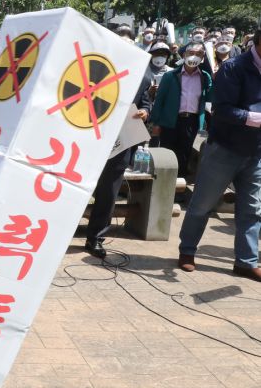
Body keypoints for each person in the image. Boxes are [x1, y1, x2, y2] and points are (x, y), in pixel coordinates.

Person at [177, 28, 261, 282]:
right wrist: (255, 118)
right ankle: (187, 250)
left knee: (252, 209)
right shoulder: (233, 68)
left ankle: (246, 262)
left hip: (256, 152)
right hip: (225, 148)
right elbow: (221, 110)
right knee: (203, 203)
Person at [84, 31, 153, 258]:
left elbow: (145, 102)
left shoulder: (143, 73)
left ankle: (95, 237)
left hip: (121, 139)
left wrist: (145, 111)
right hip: (91, 135)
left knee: (109, 191)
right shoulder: (96, 66)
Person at [150, 42, 212, 179]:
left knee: (184, 154)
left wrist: (215, 79)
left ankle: (178, 186)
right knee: (167, 154)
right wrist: (156, 123)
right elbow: (160, 100)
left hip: (191, 121)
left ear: (203, 58)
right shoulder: (170, 76)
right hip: (170, 120)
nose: (194, 57)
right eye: (191, 53)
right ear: (184, 55)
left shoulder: (205, 77)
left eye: (199, 54)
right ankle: (162, 182)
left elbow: (211, 96)